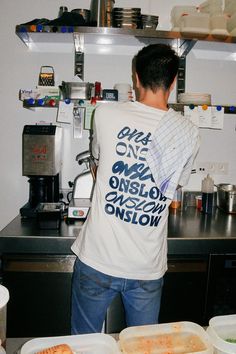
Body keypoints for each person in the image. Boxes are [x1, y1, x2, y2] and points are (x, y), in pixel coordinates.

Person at [70, 43, 199, 334]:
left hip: (98, 260)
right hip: (146, 267)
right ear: (174, 80)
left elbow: (99, 165)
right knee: (143, 348)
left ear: (136, 79)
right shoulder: (189, 132)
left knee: (83, 344)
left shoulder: (105, 115)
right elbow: (172, 186)